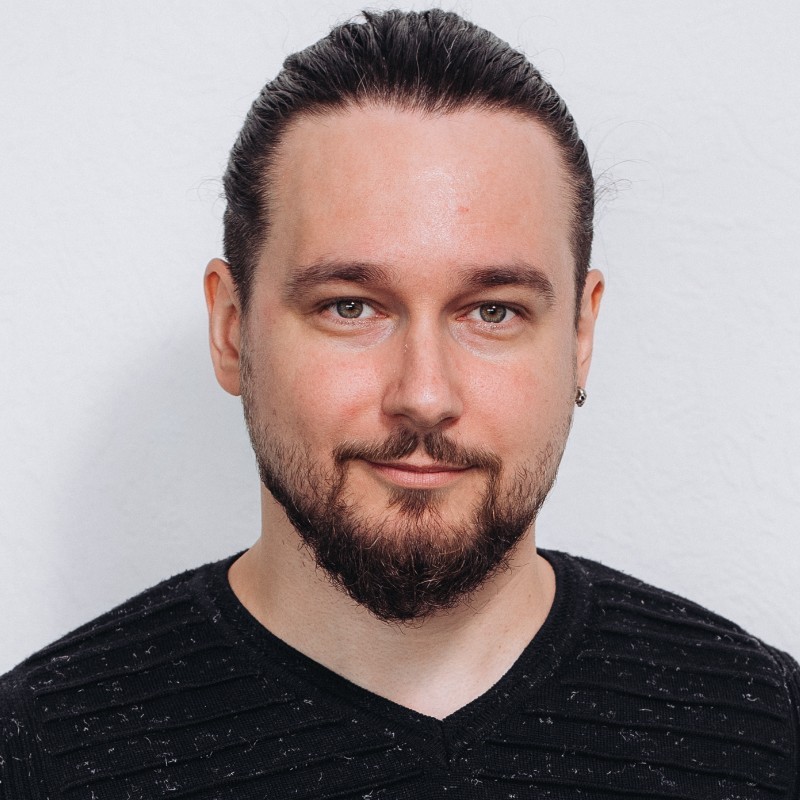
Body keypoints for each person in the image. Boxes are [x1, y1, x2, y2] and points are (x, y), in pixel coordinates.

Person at [1, 8, 797, 798]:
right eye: (350, 307)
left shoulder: (768, 731)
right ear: (231, 329)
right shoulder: (37, 751)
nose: (424, 395)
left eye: (494, 311)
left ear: (580, 336)